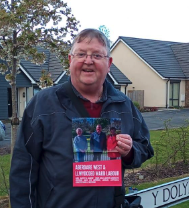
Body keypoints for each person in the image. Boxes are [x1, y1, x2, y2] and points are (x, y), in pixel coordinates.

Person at [10, 28, 154, 208]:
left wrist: (131, 151)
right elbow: (23, 170)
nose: (88, 61)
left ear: (108, 63)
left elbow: (145, 146)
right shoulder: (43, 104)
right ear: (70, 60)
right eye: (81, 54)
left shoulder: (123, 105)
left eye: (97, 55)